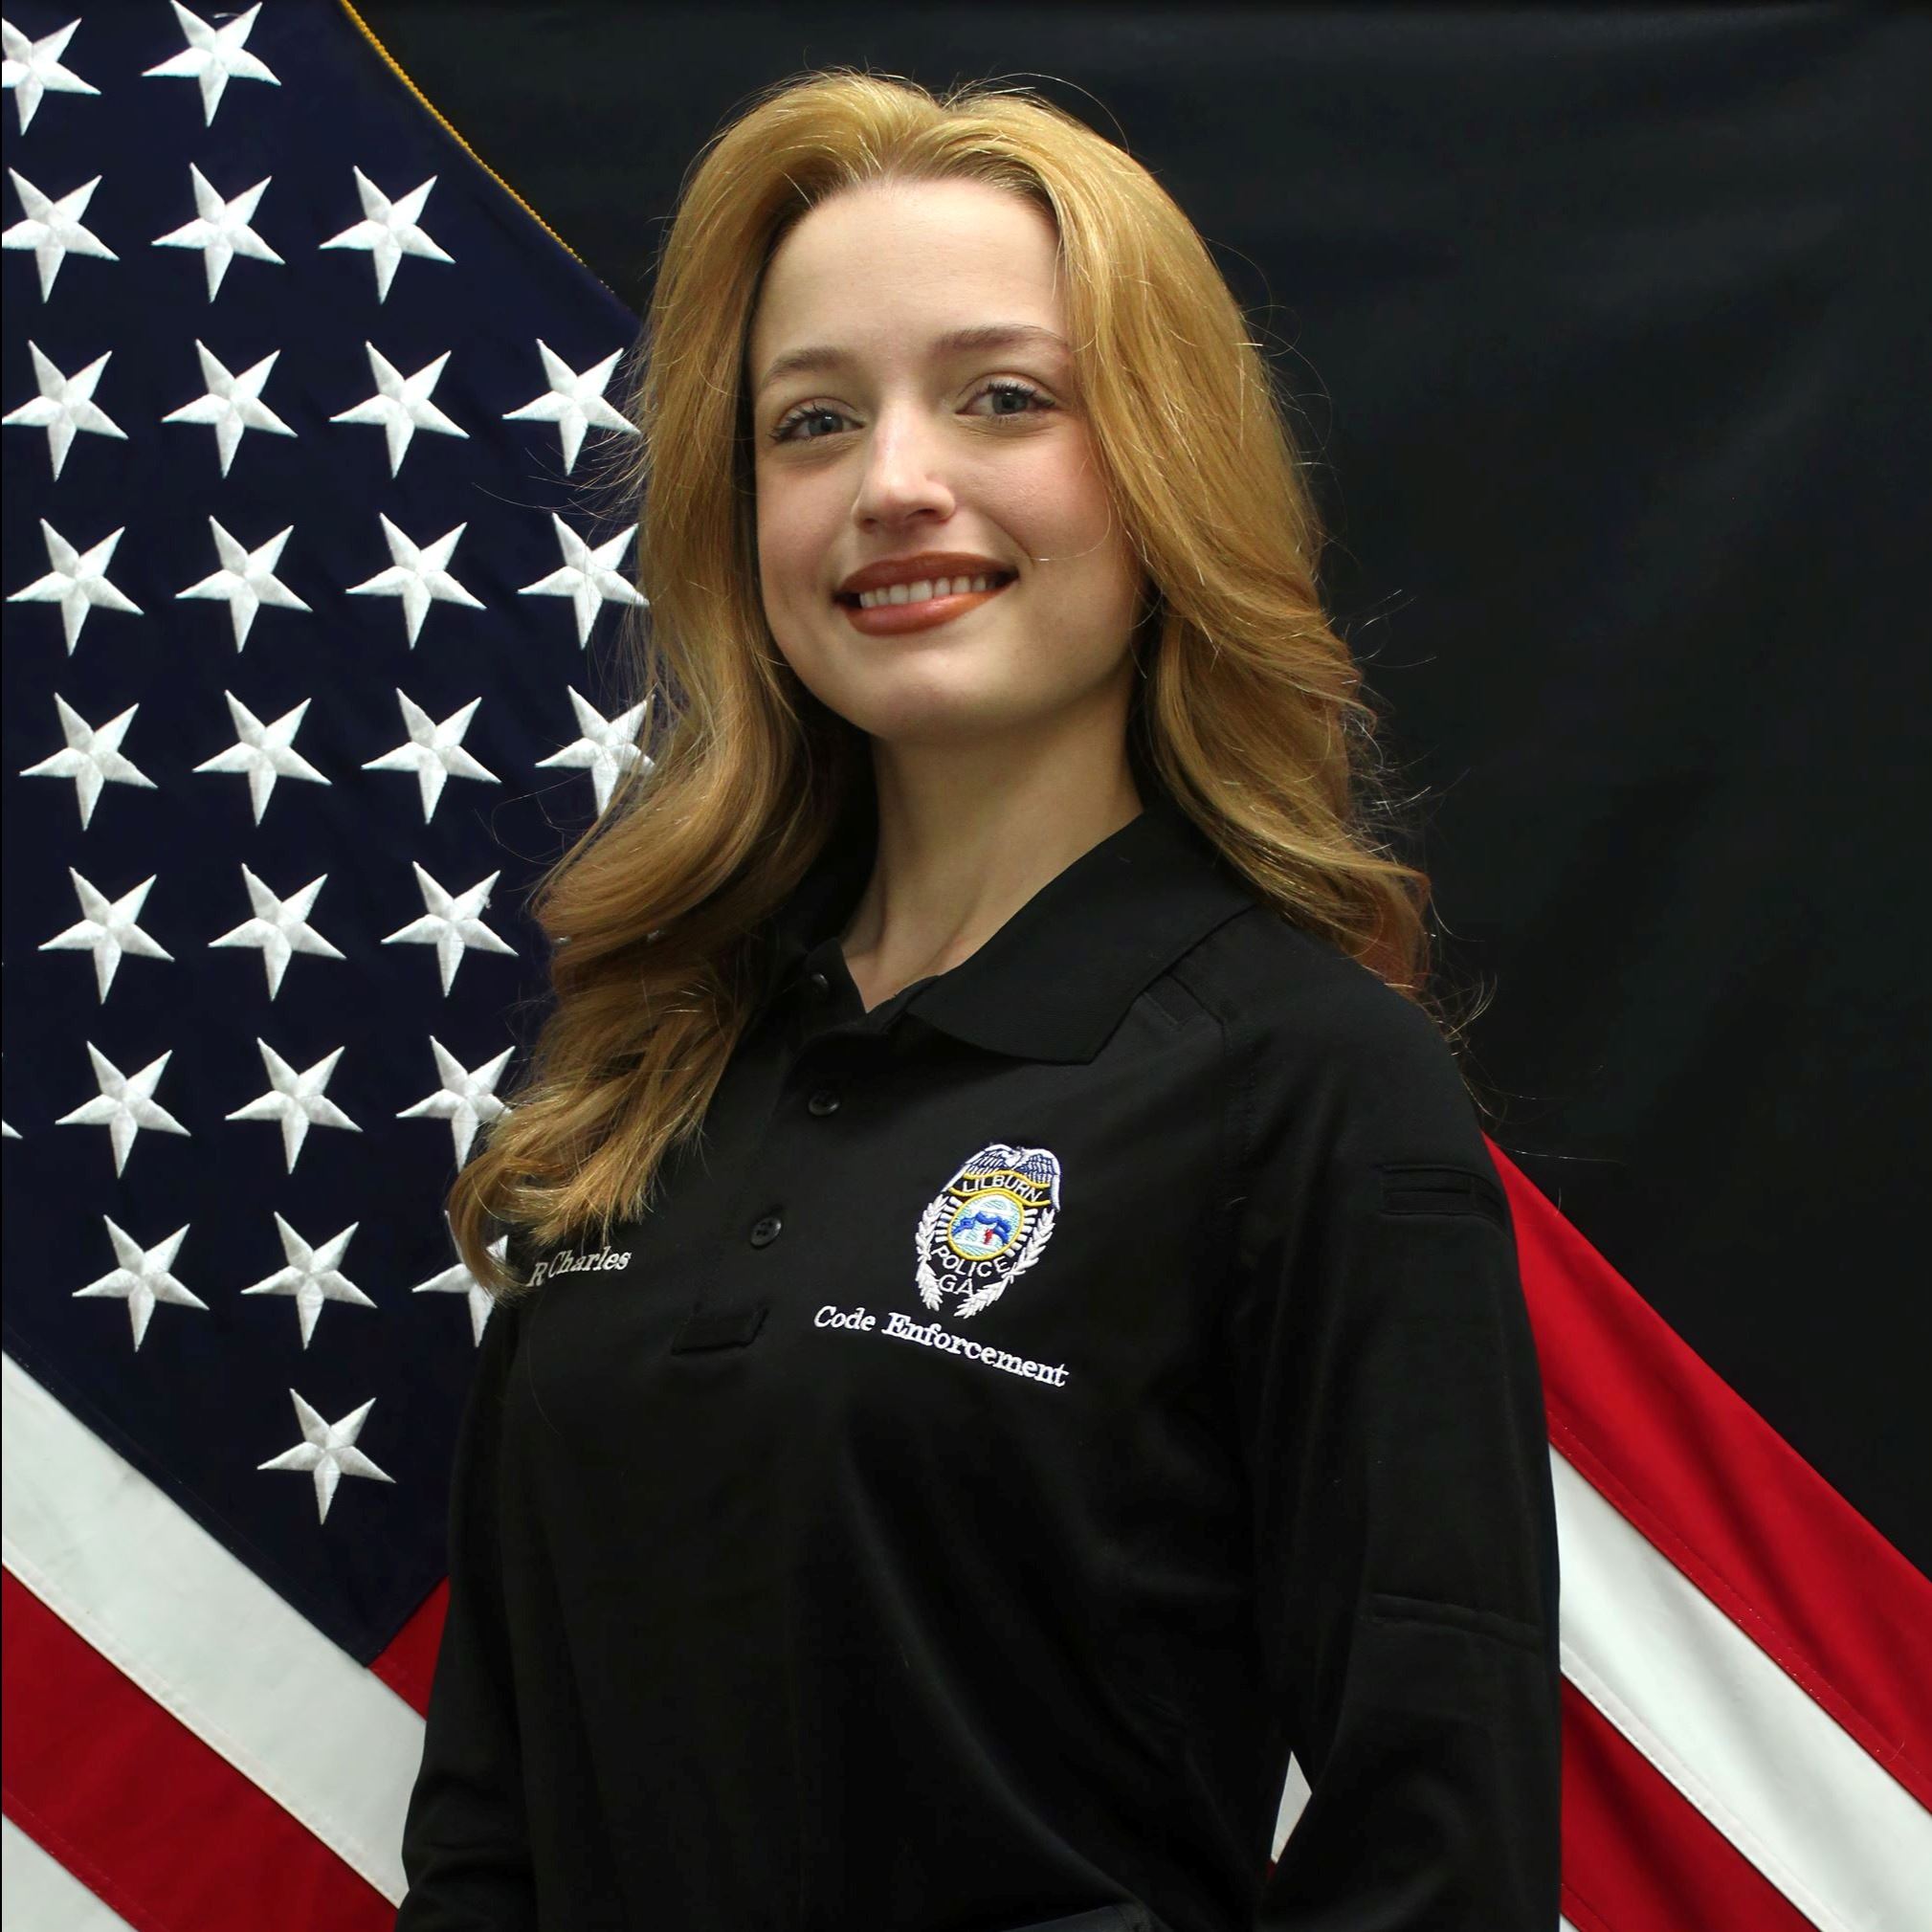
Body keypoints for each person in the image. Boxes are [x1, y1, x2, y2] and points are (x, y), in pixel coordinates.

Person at [397, 68, 1561, 1932]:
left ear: (1163, 461)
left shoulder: (1307, 1080)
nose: (893, 484)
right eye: (810, 421)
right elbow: (487, 1819)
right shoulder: (650, 1061)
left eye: (1001, 397)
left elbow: (1438, 1858)